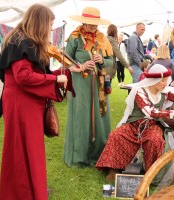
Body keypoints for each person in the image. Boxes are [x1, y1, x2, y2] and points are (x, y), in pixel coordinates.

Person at [0, 4, 70, 199]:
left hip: (25, 101)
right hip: (21, 102)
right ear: (40, 23)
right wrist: (55, 79)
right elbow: (23, 77)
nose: (50, 29)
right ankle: (23, 193)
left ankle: (32, 189)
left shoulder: (24, 40)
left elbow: (37, 73)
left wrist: (68, 73)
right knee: (22, 149)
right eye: (50, 25)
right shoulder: (21, 41)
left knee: (29, 149)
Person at [96, 64, 174, 182]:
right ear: (153, 80)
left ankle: (152, 172)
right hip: (135, 124)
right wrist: (172, 113)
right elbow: (149, 111)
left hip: (152, 125)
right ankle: (113, 170)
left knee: (154, 140)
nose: (165, 83)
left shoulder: (166, 92)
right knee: (117, 135)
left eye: (166, 80)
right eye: (162, 81)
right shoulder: (140, 92)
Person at [64, 7, 114, 167]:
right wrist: (81, 65)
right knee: (82, 116)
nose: (93, 27)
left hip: (99, 85)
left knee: (100, 115)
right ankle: (80, 156)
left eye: (95, 24)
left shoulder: (103, 38)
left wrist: (101, 61)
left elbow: (110, 61)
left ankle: (100, 154)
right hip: (80, 85)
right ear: (83, 22)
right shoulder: (75, 38)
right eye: (90, 24)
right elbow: (65, 60)